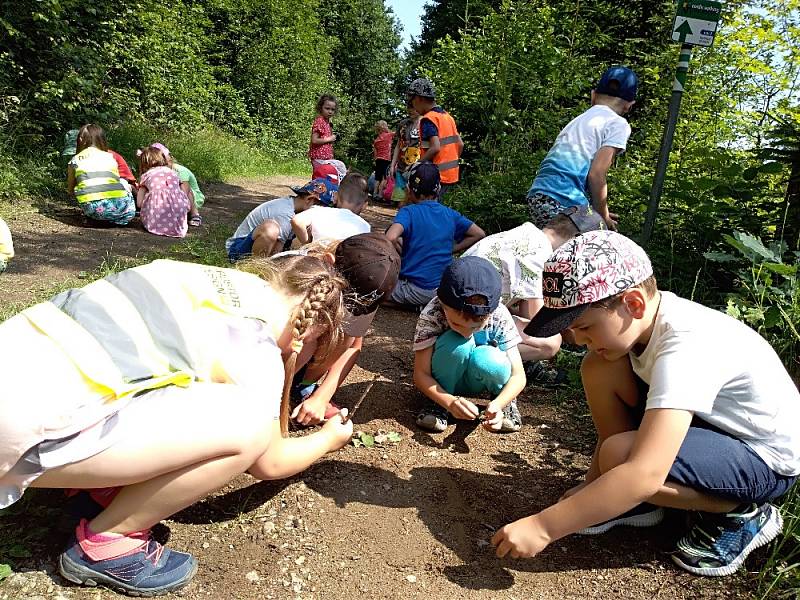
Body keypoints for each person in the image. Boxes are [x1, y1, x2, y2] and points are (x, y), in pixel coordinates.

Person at [0, 256, 354, 596]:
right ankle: (109, 541)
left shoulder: (189, 276)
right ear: (315, 328)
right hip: (20, 435)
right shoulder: (255, 340)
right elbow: (270, 462)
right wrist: (328, 439)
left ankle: (96, 487)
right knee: (249, 427)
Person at [492, 230, 800, 577]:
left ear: (633, 303)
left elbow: (646, 470)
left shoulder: (686, 347)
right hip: (715, 426)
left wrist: (544, 527)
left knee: (623, 457)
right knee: (599, 369)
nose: (578, 339)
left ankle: (742, 513)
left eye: (586, 327)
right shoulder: (645, 324)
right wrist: (597, 483)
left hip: (763, 457)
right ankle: (623, 496)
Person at [463, 206, 606, 385]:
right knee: (550, 342)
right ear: (576, 241)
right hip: (468, 318)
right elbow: (537, 321)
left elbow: (523, 306)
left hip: (459, 307)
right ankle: (479, 358)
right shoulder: (540, 255)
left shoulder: (527, 235)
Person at [290, 233, 402, 425]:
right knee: (306, 342)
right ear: (328, 263)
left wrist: (322, 397)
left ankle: (301, 386)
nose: (347, 311)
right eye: (344, 301)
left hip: (296, 362)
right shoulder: (297, 277)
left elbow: (352, 346)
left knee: (344, 336)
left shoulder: (366, 289)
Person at [412, 256, 526, 433]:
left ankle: (505, 405)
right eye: (456, 324)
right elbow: (421, 373)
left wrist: (497, 404)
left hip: (479, 376)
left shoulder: (500, 315)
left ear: (491, 313)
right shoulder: (433, 313)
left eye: (476, 327)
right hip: (445, 377)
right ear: (442, 305)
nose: (465, 332)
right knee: (457, 344)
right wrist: (449, 401)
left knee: (490, 359)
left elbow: (518, 375)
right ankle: (437, 403)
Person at [525, 66, 638, 230]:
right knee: (596, 246)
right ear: (629, 106)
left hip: (540, 195)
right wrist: (603, 216)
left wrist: (599, 211)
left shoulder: (579, 120)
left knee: (558, 247)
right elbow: (596, 174)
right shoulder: (618, 124)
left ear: (593, 96)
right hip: (564, 199)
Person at [385, 161, 485, 308]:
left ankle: (413, 305)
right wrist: (451, 250)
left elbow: (391, 237)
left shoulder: (408, 212)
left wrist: (402, 253)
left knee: (374, 293)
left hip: (416, 288)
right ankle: (425, 304)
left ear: (409, 189)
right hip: (441, 288)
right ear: (438, 189)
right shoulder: (450, 214)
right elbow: (479, 233)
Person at [226, 178, 337, 261]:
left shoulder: (297, 210)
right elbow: (276, 254)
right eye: (323, 207)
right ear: (309, 199)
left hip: (257, 245)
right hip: (238, 250)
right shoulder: (285, 214)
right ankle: (257, 267)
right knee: (271, 230)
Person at [66, 124, 136, 226]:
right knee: (123, 183)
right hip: (120, 208)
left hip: (93, 210)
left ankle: (96, 218)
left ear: (81, 139)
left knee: (82, 185)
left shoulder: (75, 160)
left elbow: (70, 190)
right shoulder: (110, 157)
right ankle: (115, 219)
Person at [406, 78, 463, 198]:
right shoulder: (448, 117)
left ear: (419, 98)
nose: (413, 106)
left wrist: (416, 165)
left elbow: (435, 147)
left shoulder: (428, 119)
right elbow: (460, 144)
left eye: (412, 101)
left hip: (434, 176)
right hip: (452, 175)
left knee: (428, 209)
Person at [291, 171, 370, 247]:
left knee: (296, 242)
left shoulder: (319, 211)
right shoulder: (365, 226)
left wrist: (307, 245)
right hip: (342, 260)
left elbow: (297, 222)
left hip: (316, 257)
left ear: (335, 196)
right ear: (364, 206)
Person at [136, 146, 192, 238]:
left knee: (149, 199)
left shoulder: (146, 176)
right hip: (179, 210)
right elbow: (184, 193)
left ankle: (156, 223)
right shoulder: (174, 173)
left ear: (144, 163)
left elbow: (139, 203)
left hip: (156, 214)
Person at [148, 143, 205, 227]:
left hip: (191, 197)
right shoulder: (155, 173)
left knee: (187, 188)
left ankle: (194, 214)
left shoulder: (180, 171)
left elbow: (185, 191)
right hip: (172, 197)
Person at [309, 94, 346, 182]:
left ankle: (322, 193)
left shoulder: (327, 122)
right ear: (320, 107)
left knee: (324, 178)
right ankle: (315, 194)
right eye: (327, 108)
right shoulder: (320, 121)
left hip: (325, 157)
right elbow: (314, 140)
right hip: (319, 157)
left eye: (332, 109)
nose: (330, 111)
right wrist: (330, 139)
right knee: (319, 177)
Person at [388, 105, 421, 203]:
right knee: (400, 199)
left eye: (414, 107)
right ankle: (401, 217)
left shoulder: (425, 124)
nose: (411, 110)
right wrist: (392, 164)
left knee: (413, 199)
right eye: (409, 107)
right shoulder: (403, 124)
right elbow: (398, 145)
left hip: (416, 169)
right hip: (401, 168)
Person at [372, 120, 394, 200]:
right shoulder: (389, 135)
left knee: (377, 178)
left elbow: (375, 153)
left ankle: (374, 194)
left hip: (378, 160)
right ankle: (380, 195)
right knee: (384, 178)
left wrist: (375, 161)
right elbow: (398, 133)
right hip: (386, 160)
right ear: (384, 127)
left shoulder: (376, 140)